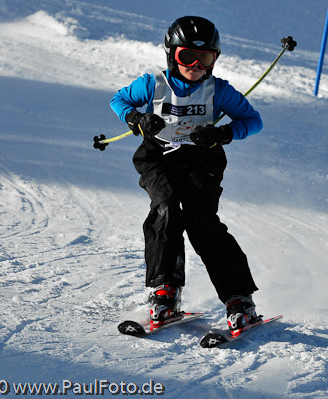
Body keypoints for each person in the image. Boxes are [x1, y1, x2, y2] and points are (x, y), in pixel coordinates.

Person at [109, 16, 263, 335]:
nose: (195, 65)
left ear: (214, 60)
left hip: (201, 160)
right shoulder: (154, 84)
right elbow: (119, 100)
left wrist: (223, 134)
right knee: (165, 210)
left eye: (204, 58)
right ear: (171, 55)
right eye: (186, 57)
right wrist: (137, 117)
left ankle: (239, 300)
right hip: (158, 158)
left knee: (201, 221)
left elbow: (252, 120)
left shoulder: (217, 90)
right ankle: (165, 292)